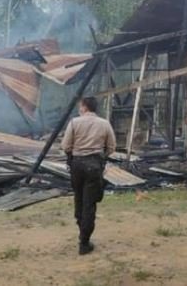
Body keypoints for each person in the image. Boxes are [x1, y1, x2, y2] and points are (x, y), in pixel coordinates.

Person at [61, 96, 116, 255]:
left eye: (80, 106)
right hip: (94, 165)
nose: (80, 109)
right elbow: (111, 147)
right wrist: (100, 157)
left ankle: (82, 233)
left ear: (84, 107)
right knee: (90, 203)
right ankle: (84, 242)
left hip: (77, 165)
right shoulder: (104, 124)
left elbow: (65, 146)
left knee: (79, 199)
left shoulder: (74, 122)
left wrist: (74, 154)